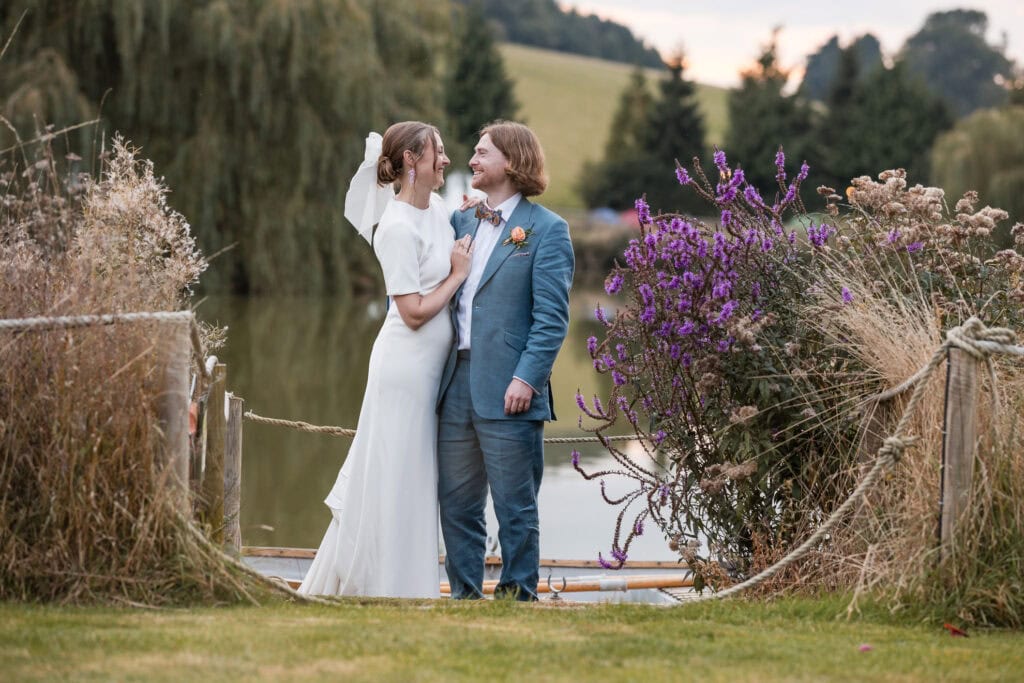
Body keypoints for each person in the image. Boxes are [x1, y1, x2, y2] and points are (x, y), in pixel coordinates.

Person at [299, 122, 473, 598]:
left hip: (429, 371)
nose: (447, 160)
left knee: (415, 475)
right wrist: (457, 277)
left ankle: (406, 583)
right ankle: (382, 584)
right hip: (404, 370)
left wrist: (477, 212)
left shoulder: (437, 208)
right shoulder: (394, 228)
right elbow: (413, 312)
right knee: (396, 471)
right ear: (412, 160)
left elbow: (450, 236)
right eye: (439, 152)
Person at [437, 121, 575, 600]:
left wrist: (527, 379)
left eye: (481, 153)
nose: (471, 161)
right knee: (456, 503)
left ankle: (518, 597)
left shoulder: (548, 231)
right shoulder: (461, 222)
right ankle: (464, 597)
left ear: (511, 162)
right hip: (454, 382)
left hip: (511, 388)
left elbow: (552, 320)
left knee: (516, 507)